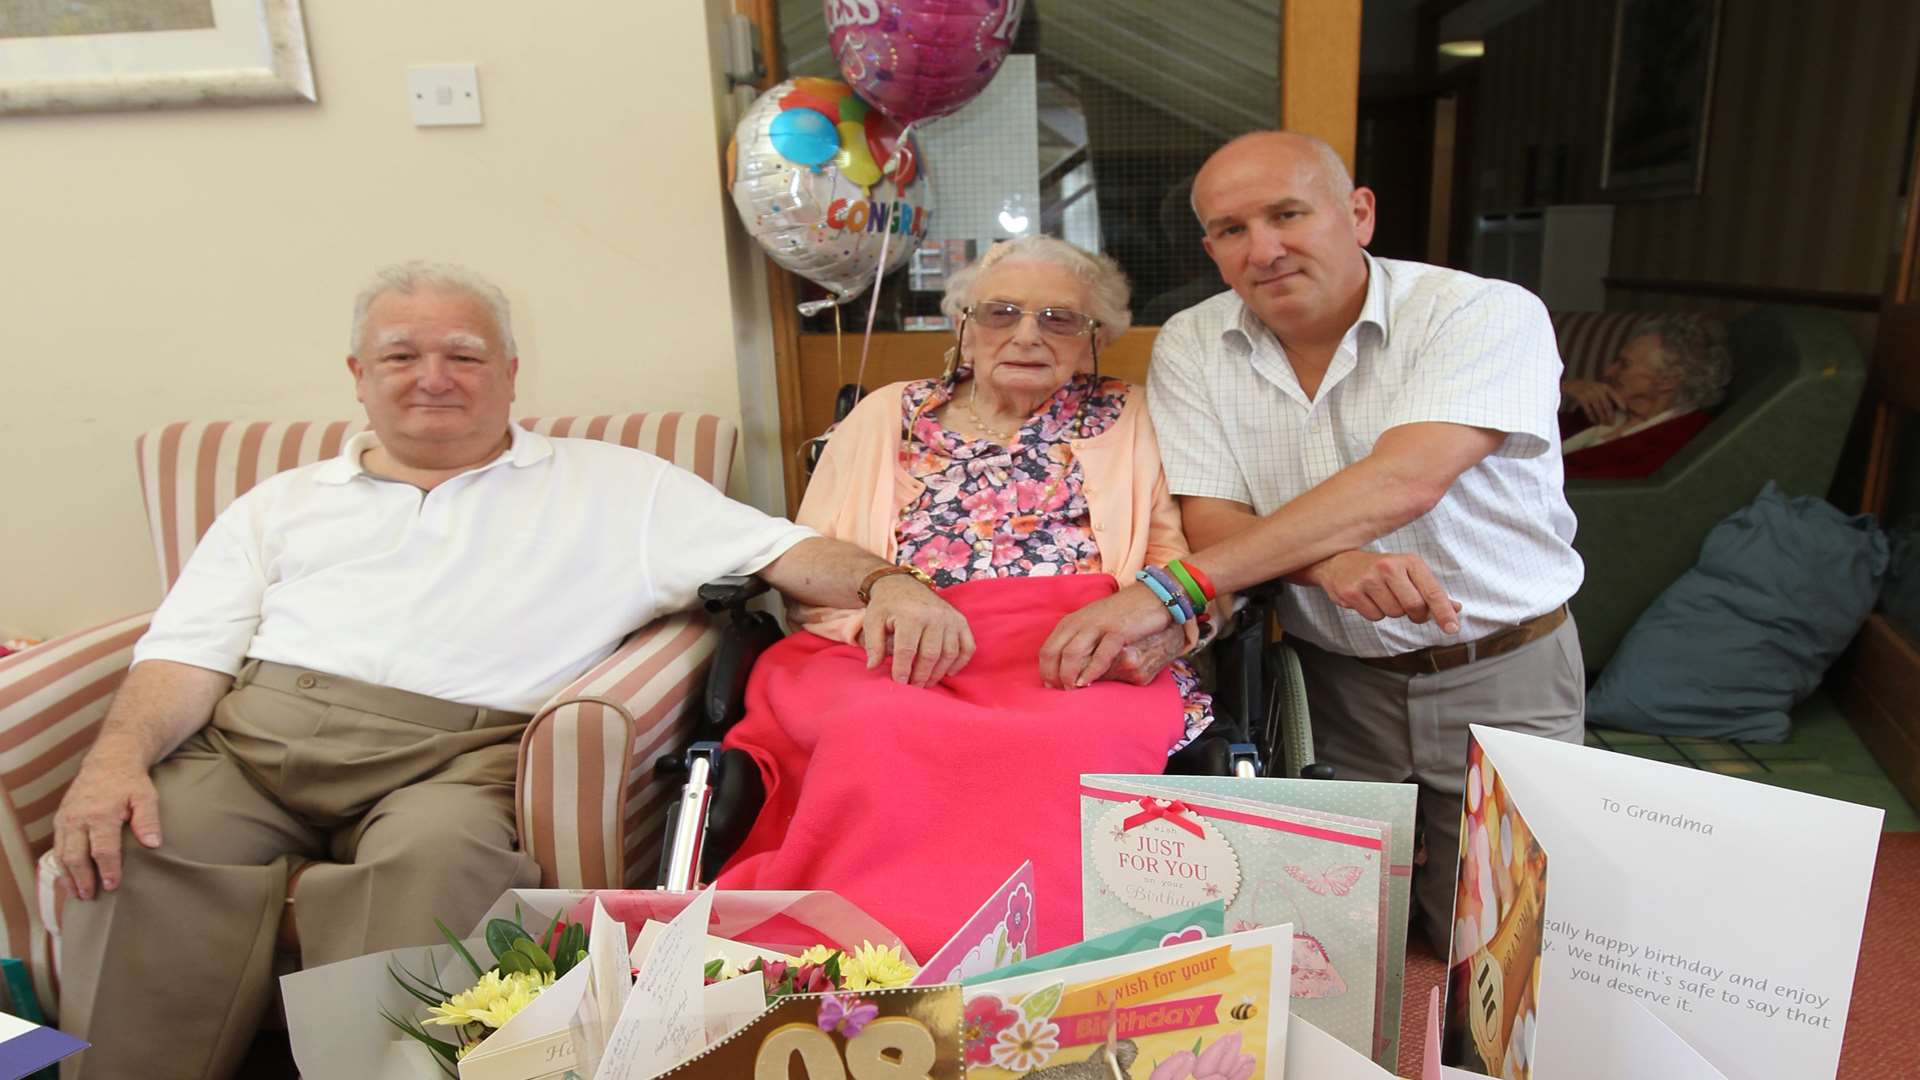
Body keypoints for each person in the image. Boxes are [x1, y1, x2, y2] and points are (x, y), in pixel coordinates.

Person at [50, 261, 971, 1080]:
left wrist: (892, 583)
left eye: (464, 355)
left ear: (510, 373)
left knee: (440, 862)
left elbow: (784, 549)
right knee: (135, 839)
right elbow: (186, 652)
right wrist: (114, 760)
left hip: (453, 759)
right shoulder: (279, 504)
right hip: (252, 741)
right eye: (401, 357)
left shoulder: (617, 487)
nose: (433, 378)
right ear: (359, 378)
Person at [1040, 132, 1586, 953]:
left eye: (1288, 214)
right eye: (1232, 230)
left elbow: (1402, 481)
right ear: (1212, 250)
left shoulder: (1482, 312)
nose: (1264, 249)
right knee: (1340, 941)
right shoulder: (1193, 340)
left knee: (1498, 953)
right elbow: (1215, 517)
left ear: (1358, 213)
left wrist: (1167, 589)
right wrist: (1330, 563)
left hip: (1500, 666)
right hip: (1334, 683)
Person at [713, 236, 1213, 960]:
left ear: (1094, 340)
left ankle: (1058, 961)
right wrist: (886, 606)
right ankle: (866, 957)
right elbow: (804, 557)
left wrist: (1164, 628)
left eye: (1059, 319)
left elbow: (1175, 560)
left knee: (1082, 738)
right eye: (1002, 312)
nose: (1027, 334)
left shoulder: (1134, 416)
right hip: (898, 644)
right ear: (964, 329)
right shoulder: (889, 414)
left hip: (1075, 646)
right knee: (873, 727)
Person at [1559, 316, 1730, 479]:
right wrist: (1556, 389)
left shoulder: (1679, 439)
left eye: (1625, 364)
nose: (1609, 372)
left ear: (1667, 381)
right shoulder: (1600, 409)